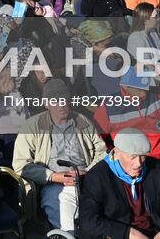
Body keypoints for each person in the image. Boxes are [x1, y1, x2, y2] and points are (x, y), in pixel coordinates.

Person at [11, 79, 107, 234]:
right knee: (66, 224)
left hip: (86, 181)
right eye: (55, 100)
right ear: (46, 103)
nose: (61, 104)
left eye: (64, 99)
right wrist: (53, 176)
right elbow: (21, 165)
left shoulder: (82, 122)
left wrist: (87, 173)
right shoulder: (32, 126)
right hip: (55, 185)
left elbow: (102, 153)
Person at [77, 129, 160, 239]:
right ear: (117, 153)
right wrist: (127, 233)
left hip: (155, 232)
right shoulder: (97, 177)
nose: (138, 163)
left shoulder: (154, 168)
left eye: (142, 156)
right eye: (132, 157)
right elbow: (88, 220)